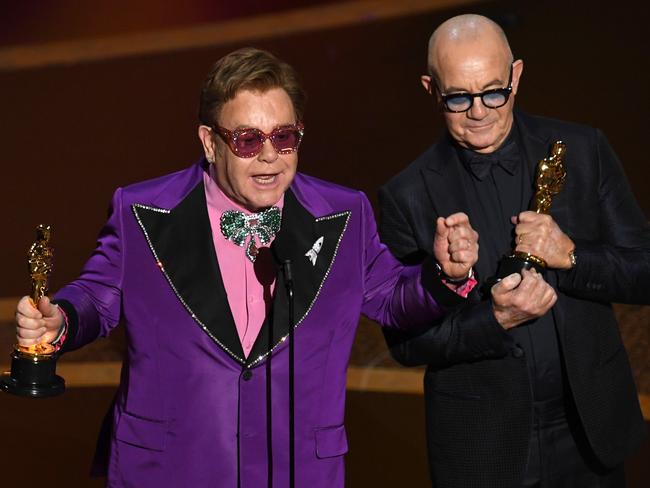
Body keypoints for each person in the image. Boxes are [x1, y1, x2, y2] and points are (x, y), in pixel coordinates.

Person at [13, 48, 477, 488]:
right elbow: (97, 296)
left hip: (297, 470)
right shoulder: (141, 210)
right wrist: (62, 320)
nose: (270, 154)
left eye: (284, 136)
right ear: (210, 142)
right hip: (168, 467)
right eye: (248, 139)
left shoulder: (344, 215)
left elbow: (394, 299)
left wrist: (446, 276)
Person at [379, 14, 650, 488]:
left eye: (493, 91)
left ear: (517, 76)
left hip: (592, 434)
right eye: (458, 96)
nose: (479, 111)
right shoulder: (406, 196)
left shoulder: (583, 150)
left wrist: (572, 256)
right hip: (484, 449)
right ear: (430, 89)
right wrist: (495, 320)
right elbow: (405, 344)